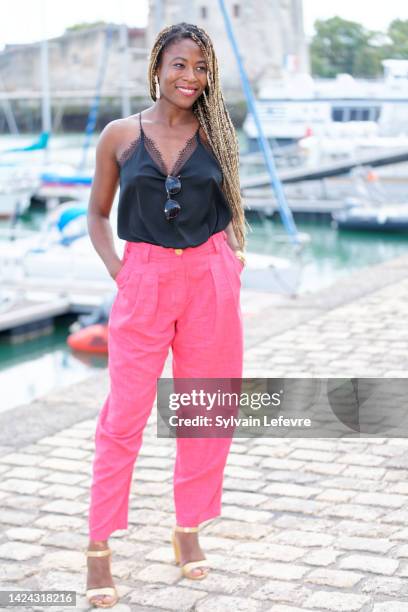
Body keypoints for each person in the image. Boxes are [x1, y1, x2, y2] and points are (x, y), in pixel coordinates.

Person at [85, 22, 250, 608]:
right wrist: (120, 270)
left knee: (206, 409)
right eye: (180, 64)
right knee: (124, 414)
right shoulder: (119, 135)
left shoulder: (217, 134)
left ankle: (187, 530)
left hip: (209, 279)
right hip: (145, 279)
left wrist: (230, 261)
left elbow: (229, 207)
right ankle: (99, 548)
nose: (190, 78)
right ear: (157, 65)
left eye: (201, 68)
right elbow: (98, 215)